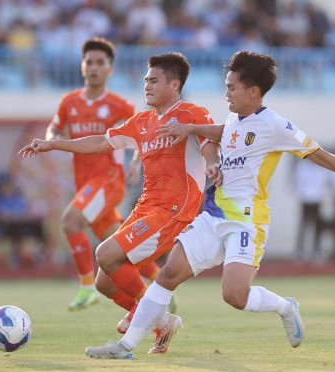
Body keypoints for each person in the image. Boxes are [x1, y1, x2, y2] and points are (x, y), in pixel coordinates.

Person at [84, 50, 335, 359]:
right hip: (212, 215)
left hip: (246, 220)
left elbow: (320, 155)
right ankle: (125, 346)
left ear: (253, 91)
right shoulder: (234, 117)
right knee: (168, 275)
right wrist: (191, 129)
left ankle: (285, 306)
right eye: (226, 86)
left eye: (232, 87)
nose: (226, 93)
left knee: (234, 296)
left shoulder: (276, 125)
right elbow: (226, 132)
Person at [20, 51, 222, 350]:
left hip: (173, 211)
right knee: (104, 282)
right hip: (145, 209)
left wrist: (213, 164)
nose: (147, 85)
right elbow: (101, 142)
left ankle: (151, 318)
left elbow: (209, 145)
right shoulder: (141, 122)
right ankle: (162, 321)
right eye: (146, 80)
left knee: (104, 253)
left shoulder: (192, 114)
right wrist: (54, 144)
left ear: (174, 85)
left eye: (154, 80)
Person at [44, 37, 158, 312]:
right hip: (85, 183)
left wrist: (135, 162)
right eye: (89, 62)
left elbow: (139, 136)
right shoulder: (69, 102)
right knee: (120, 247)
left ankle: (86, 286)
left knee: (70, 221)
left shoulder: (120, 106)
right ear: (82, 67)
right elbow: (54, 128)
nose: (94, 67)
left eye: (100, 63)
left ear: (110, 69)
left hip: (108, 181)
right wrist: (50, 139)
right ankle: (153, 290)